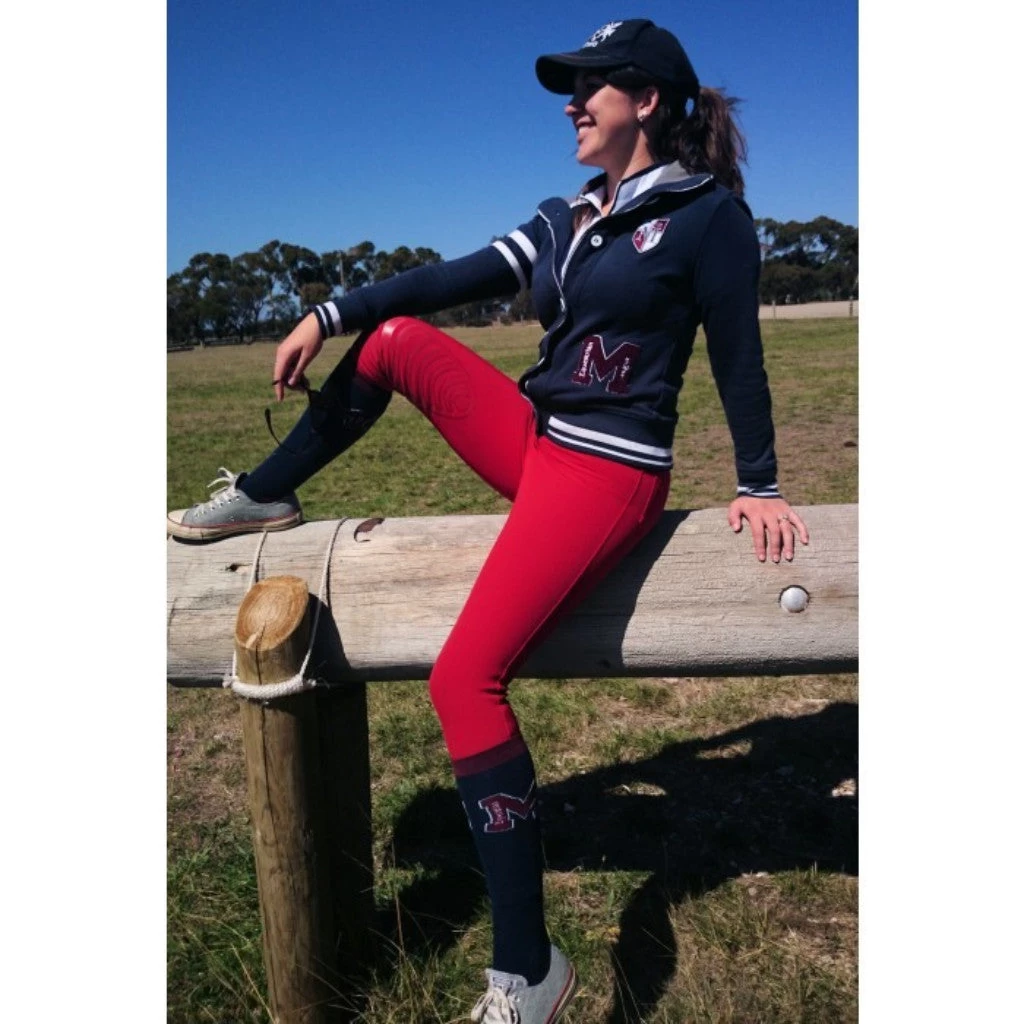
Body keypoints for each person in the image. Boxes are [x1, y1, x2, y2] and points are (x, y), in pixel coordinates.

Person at [169, 18, 809, 1023]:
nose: (572, 103)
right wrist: (330, 313)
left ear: (646, 99)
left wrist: (759, 483)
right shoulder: (568, 216)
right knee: (396, 337)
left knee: (462, 679)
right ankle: (267, 489)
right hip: (537, 441)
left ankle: (527, 971)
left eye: (591, 86)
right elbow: (445, 279)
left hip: (608, 474)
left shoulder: (706, 217)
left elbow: (738, 354)